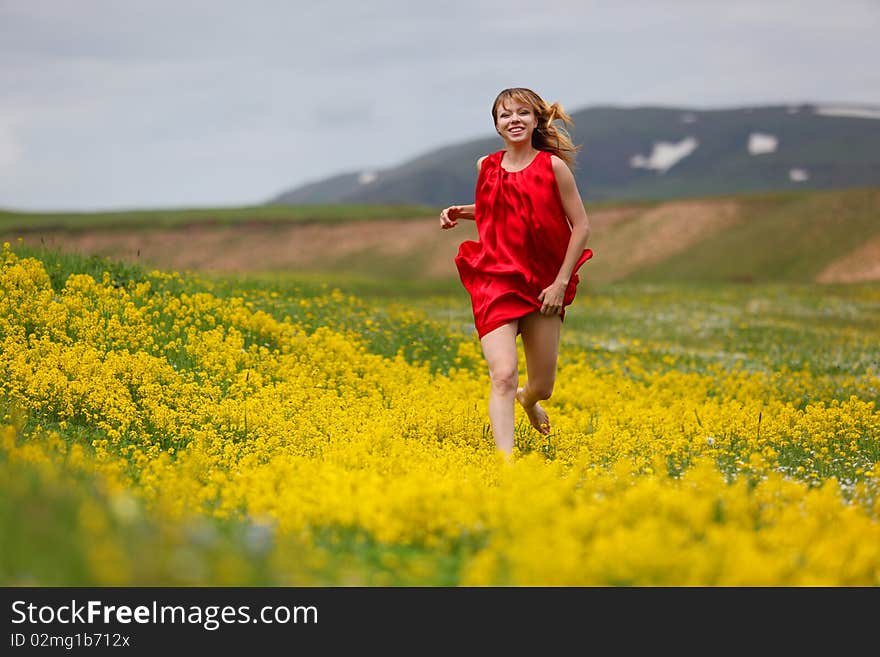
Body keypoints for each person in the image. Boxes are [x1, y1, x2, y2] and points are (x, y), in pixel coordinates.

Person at [440, 87, 593, 457]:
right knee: (503, 374)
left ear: (536, 119)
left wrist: (559, 283)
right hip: (495, 280)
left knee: (542, 386)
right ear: (496, 125)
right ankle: (506, 468)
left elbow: (582, 226)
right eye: (505, 115)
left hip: (543, 286)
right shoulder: (486, 167)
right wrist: (463, 210)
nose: (514, 120)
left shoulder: (553, 167)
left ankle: (528, 401)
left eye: (522, 113)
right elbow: (499, 206)